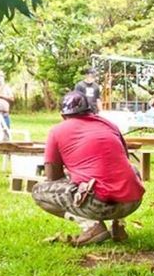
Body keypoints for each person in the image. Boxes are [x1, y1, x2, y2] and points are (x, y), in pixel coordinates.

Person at [31, 91, 145, 246]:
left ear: (63, 115)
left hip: (100, 205)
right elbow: (123, 160)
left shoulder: (57, 131)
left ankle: (92, 226)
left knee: (39, 191)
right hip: (132, 201)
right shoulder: (109, 124)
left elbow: (53, 177)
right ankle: (118, 225)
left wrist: (70, 174)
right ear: (90, 111)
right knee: (128, 169)